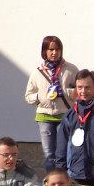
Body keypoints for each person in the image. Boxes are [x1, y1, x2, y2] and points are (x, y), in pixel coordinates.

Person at [24, 35, 78, 171]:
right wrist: (40, 97)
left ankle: (66, 183)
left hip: (65, 114)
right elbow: (28, 96)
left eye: (58, 49)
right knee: (49, 156)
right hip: (44, 116)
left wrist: (67, 92)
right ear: (45, 51)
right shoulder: (37, 72)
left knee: (65, 151)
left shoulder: (71, 69)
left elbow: (80, 90)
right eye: (51, 49)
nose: (55, 53)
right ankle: (51, 185)